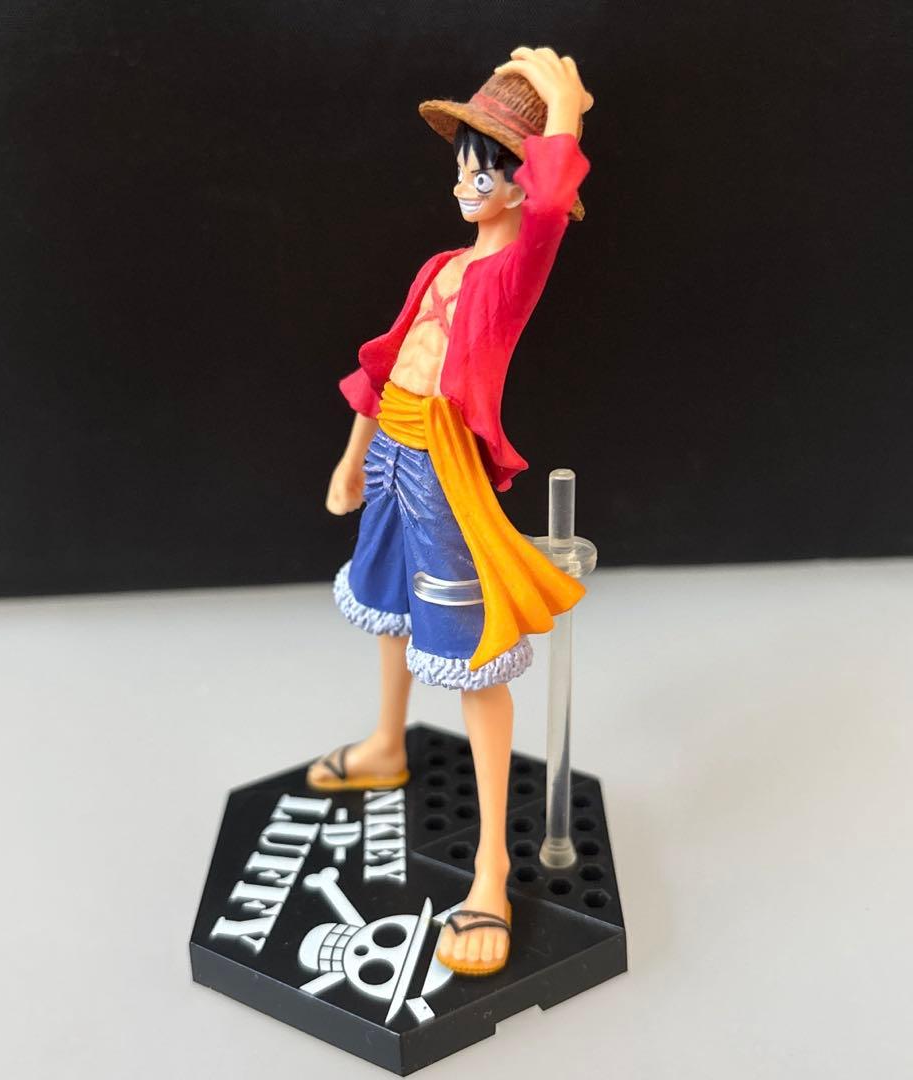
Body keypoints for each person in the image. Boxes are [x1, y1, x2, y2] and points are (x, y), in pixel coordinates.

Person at [309, 46, 594, 978]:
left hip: (443, 472)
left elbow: (548, 213)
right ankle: (387, 743)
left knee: (473, 656)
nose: (468, 184)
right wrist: (352, 457)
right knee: (388, 612)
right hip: (390, 453)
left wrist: (564, 117)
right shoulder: (440, 266)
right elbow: (384, 362)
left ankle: (490, 870)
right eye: (462, 168)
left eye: (487, 171)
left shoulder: (512, 272)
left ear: (519, 181)